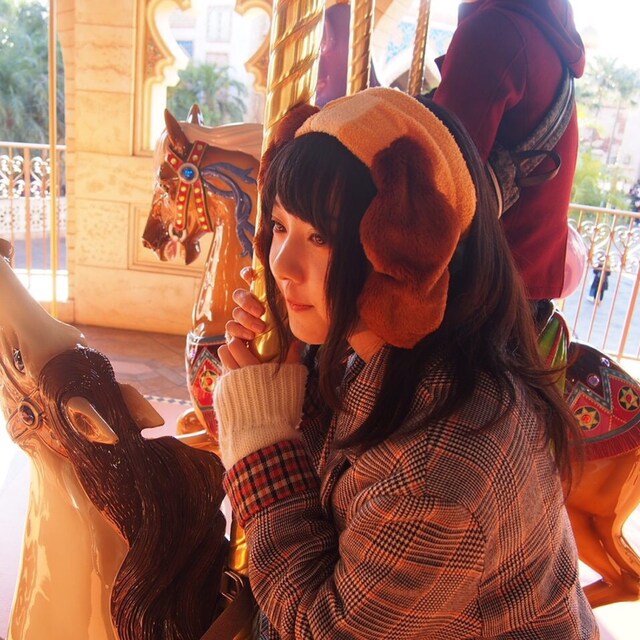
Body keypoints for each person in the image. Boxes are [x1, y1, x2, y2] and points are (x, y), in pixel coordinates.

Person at [213, 88, 598, 639]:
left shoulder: (437, 470)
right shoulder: (393, 356)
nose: (282, 265)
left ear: (404, 251)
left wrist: (261, 440)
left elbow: (323, 630)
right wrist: (288, 375)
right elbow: (339, 490)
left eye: (319, 236)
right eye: (279, 226)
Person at [433, 0, 585, 302]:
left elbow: (439, 172)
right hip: (527, 279)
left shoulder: (494, 29)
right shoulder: (547, 32)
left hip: (483, 287)